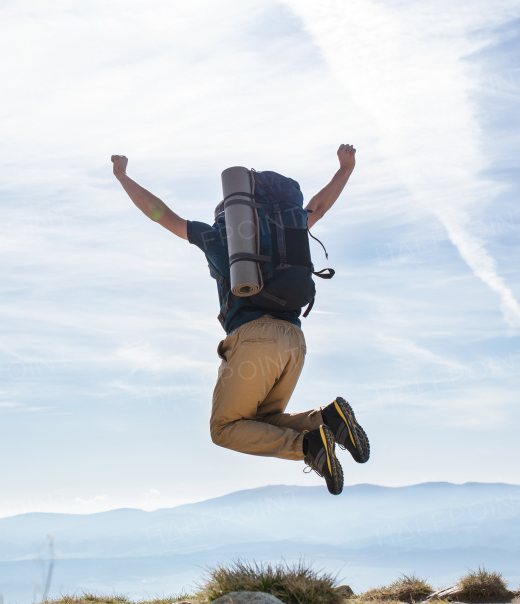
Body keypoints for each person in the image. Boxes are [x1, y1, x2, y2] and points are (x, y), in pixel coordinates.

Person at [109, 145, 369, 495]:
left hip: (254, 339)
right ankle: (329, 419)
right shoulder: (290, 229)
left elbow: (159, 213)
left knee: (225, 428)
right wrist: (345, 169)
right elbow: (319, 206)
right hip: (295, 341)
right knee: (261, 425)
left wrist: (123, 177)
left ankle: (309, 447)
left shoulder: (218, 237)